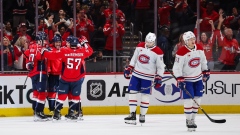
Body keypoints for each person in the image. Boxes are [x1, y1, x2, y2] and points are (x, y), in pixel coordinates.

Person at [42, 36, 93, 121]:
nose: (66, 43)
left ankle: (57, 113)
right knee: (76, 96)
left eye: (67, 42)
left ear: (69, 43)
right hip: (77, 78)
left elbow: (53, 56)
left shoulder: (64, 50)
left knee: (61, 96)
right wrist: (85, 43)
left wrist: (44, 52)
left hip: (65, 78)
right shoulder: (81, 51)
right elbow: (90, 51)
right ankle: (72, 112)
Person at [123, 32, 165, 125]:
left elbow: (160, 67)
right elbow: (134, 58)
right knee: (132, 92)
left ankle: (142, 115)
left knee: (145, 96)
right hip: (136, 74)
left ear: (154, 42)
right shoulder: (140, 46)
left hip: (148, 77)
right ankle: (132, 114)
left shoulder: (158, 52)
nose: (148, 44)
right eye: (147, 41)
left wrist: (159, 77)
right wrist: (129, 67)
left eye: (150, 42)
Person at [172, 31, 210, 132]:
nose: (193, 41)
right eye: (190, 40)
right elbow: (176, 68)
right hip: (187, 80)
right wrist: (179, 78)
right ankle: (188, 120)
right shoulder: (181, 52)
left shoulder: (199, 48)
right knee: (188, 101)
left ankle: (193, 120)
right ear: (185, 41)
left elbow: (203, 61)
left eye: (193, 39)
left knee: (197, 100)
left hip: (198, 79)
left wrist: (205, 70)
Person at [24, 31, 49, 121]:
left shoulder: (31, 47)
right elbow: (39, 57)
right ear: (40, 40)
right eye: (44, 40)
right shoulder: (40, 48)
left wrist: (28, 64)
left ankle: (35, 111)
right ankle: (39, 112)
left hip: (32, 73)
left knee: (35, 92)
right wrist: (44, 50)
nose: (45, 41)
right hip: (40, 72)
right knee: (42, 92)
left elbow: (26, 55)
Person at [45, 34, 62, 117]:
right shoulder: (50, 50)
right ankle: (52, 109)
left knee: (61, 93)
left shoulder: (63, 50)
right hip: (52, 75)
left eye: (59, 42)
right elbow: (48, 61)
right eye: (56, 42)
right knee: (51, 92)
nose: (58, 44)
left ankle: (58, 110)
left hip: (61, 75)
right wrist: (48, 70)